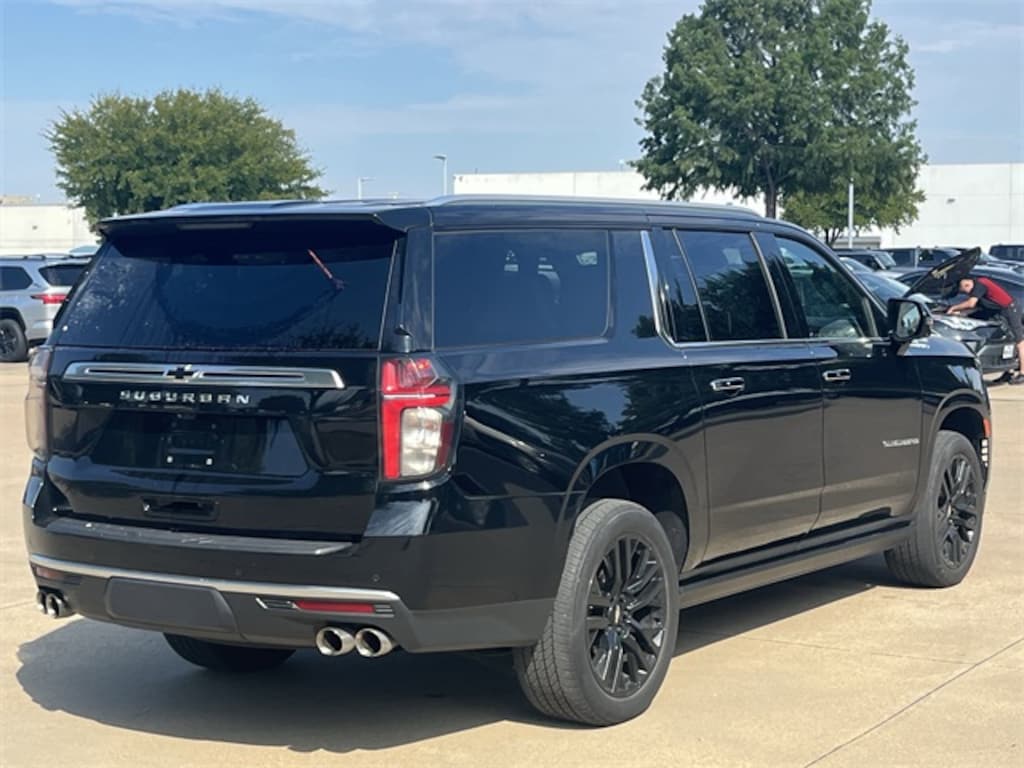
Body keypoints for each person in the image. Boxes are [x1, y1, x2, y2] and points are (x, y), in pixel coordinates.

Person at [947, 276, 1024, 384]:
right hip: (1000, 311)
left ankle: (1022, 373)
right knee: (1006, 339)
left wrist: (954, 308)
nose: (967, 294)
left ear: (967, 284)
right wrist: (961, 313)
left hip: (1010, 308)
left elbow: (971, 303)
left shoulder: (980, 284)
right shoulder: (980, 287)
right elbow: (976, 309)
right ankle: (1008, 372)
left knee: (1019, 341)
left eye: (965, 292)